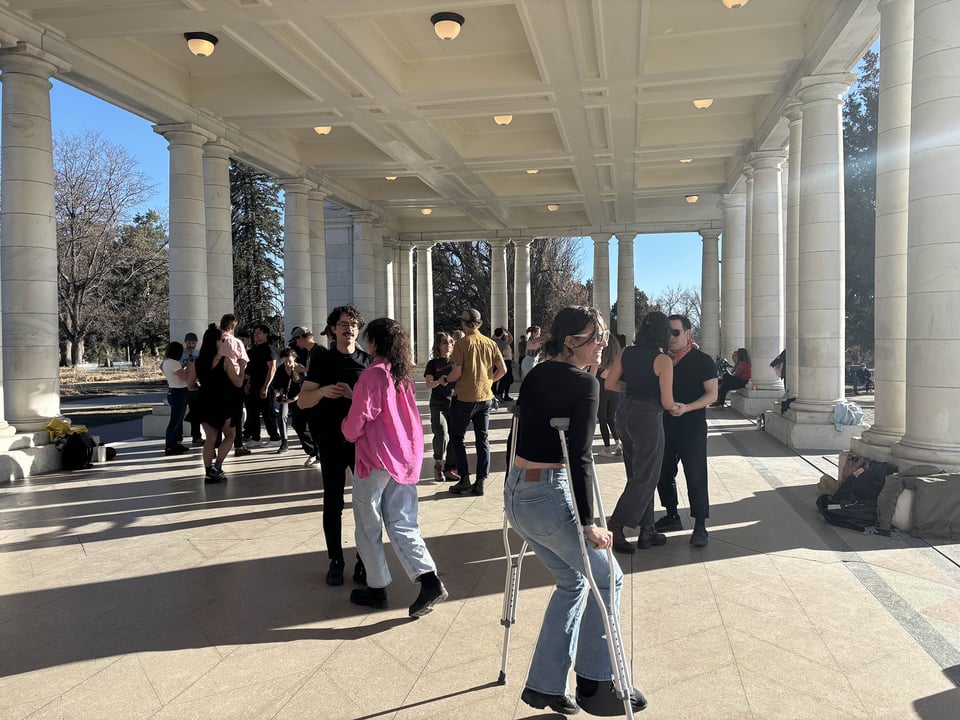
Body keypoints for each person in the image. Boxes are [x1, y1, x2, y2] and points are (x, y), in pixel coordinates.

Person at [505, 306, 646, 716]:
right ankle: (596, 683)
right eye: (595, 337)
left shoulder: (536, 373)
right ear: (571, 341)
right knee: (609, 578)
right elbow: (581, 457)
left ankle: (545, 686)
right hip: (548, 496)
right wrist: (589, 524)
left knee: (572, 582)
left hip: (518, 493)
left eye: (603, 335)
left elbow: (520, 431)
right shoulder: (585, 384)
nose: (603, 343)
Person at [342, 317, 448, 616]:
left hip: (376, 458)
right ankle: (429, 580)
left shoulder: (372, 375)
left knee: (368, 524)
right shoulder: (402, 375)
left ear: (374, 343)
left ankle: (377, 588)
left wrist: (346, 427)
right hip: (404, 457)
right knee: (403, 521)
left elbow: (357, 421)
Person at [298, 305, 372, 586]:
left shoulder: (368, 362)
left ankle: (364, 559)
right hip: (330, 439)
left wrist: (354, 397)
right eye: (343, 324)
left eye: (353, 324)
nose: (348, 328)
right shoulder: (322, 361)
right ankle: (336, 560)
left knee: (366, 503)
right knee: (333, 501)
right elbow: (303, 401)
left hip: (362, 442)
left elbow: (378, 405)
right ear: (332, 329)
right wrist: (322, 391)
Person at [605, 311, 677, 553]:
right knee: (647, 476)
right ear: (664, 333)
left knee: (637, 474)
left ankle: (648, 530)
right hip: (647, 417)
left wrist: (633, 388)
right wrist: (679, 407)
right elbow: (667, 402)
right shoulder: (663, 360)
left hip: (624, 413)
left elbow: (610, 383)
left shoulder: (626, 352)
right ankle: (616, 524)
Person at [655, 315, 718, 547]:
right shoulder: (660, 360)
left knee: (696, 475)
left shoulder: (702, 360)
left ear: (687, 333)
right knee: (663, 472)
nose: (671, 337)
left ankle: (700, 525)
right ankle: (672, 515)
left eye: (675, 332)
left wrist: (687, 408)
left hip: (692, 427)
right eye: (667, 333)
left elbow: (712, 394)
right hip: (663, 425)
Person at [446, 308, 506, 497]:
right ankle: (481, 481)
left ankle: (464, 478)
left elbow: (456, 373)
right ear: (479, 324)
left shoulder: (462, 343)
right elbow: (503, 369)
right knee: (483, 439)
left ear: (464, 323)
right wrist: (489, 382)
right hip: (485, 397)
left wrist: (445, 380)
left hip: (465, 398)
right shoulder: (490, 343)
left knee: (457, 437)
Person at [195, 324, 246, 482]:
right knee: (230, 435)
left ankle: (208, 471)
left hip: (204, 401)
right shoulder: (224, 361)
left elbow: (190, 384)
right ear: (217, 342)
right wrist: (242, 367)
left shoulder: (198, 362)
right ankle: (217, 467)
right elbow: (238, 383)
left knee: (210, 437)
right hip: (223, 401)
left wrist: (204, 385)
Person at [424, 331, 458, 483]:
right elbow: (428, 384)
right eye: (444, 342)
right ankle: (439, 465)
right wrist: (439, 381)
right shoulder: (433, 364)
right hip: (438, 404)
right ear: (438, 345)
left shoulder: (456, 362)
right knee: (442, 433)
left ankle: (450, 468)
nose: (448, 345)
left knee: (455, 435)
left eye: (450, 342)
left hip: (455, 404)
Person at [219, 314, 252, 457]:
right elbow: (243, 361)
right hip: (234, 380)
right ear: (233, 326)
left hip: (217, 380)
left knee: (218, 413)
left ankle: (214, 444)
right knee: (236, 414)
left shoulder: (214, 341)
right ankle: (238, 445)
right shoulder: (236, 342)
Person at [289, 326, 322, 465]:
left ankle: (318, 454)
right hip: (310, 394)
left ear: (301, 337)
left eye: (296, 340)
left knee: (311, 426)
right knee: (300, 424)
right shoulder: (310, 352)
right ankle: (315, 453)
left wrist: (304, 370)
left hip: (317, 396)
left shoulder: (319, 351)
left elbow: (320, 373)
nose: (296, 344)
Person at [244, 323, 280, 445]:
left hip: (266, 385)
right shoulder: (253, 351)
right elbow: (251, 370)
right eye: (255, 333)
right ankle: (256, 438)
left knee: (268, 412)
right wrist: (248, 383)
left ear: (266, 334)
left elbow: (272, 368)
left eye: (259, 333)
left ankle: (274, 437)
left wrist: (266, 387)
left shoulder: (269, 349)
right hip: (254, 385)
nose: (256, 335)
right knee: (253, 412)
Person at [595, 333, 623, 457]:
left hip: (601, 389)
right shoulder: (617, 360)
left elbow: (592, 376)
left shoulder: (599, 359)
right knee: (611, 417)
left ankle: (607, 448)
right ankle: (617, 443)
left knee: (602, 419)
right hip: (614, 388)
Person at [161, 341, 191, 456]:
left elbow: (165, 369)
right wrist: (189, 369)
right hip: (179, 392)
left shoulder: (166, 362)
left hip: (172, 391)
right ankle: (169, 446)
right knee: (175, 421)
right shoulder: (174, 363)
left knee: (177, 420)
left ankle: (175, 443)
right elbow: (185, 377)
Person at [270, 348, 301, 454]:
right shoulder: (280, 369)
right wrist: (277, 395)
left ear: (294, 359)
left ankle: (305, 439)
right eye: (285, 361)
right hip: (286, 397)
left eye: (289, 361)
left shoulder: (298, 369)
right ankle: (284, 442)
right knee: (282, 416)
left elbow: (302, 387)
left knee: (298, 422)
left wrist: (293, 399)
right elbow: (276, 386)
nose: (287, 364)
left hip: (299, 397)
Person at [182, 332, 202, 445]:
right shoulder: (181, 354)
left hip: (195, 387)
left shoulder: (198, 354)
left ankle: (196, 436)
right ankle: (178, 437)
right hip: (183, 386)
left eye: (193, 343)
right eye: (189, 342)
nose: (191, 345)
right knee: (181, 412)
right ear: (185, 342)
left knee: (195, 412)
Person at [493, 327, 515, 401]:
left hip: (497, 362)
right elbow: (511, 338)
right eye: (505, 335)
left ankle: (497, 393)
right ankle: (500, 393)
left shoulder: (493, 341)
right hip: (504, 361)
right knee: (506, 379)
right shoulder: (503, 343)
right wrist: (505, 330)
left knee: (499, 378)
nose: (506, 336)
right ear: (502, 335)